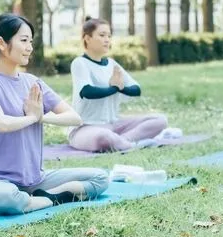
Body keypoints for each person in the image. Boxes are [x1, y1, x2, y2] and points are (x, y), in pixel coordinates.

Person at [0, 14, 108, 215]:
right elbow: (1, 123)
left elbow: (75, 118)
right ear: (1, 42)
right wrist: (32, 118)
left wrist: (42, 117)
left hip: (35, 180)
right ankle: (43, 199)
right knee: (4, 199)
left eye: (31, 42)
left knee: (100, 178)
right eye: (23, 40)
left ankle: (45, 198)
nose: (29, 47)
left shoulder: (32, 82)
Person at [68, 17, 168, 152]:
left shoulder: (111, 64)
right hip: (85, 128)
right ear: (87, 38)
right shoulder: (80, 63)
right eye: (102, 35)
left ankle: (123, 142)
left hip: (114, 125)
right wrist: (114, 88)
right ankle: (133, 145)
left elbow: (136, 89)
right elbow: (87, 92)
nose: (107, 39)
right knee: (104, 137)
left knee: (160, 120)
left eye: (109, 36)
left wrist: (121, 88)